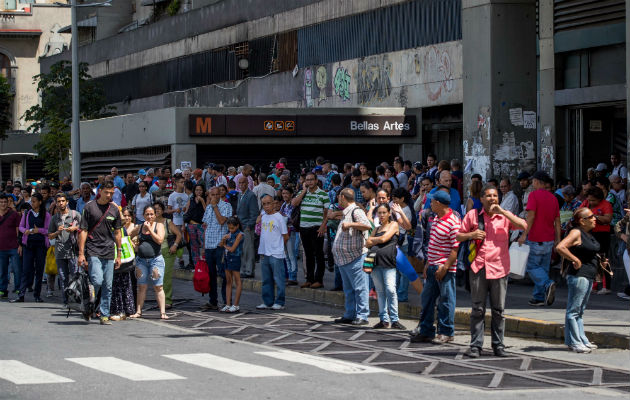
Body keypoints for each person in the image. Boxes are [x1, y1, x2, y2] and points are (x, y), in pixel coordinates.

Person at [458, 185, 527, 358]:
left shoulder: (504, 217)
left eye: (495, 196)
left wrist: (503, 212)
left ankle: (498, 345)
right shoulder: (473, 215)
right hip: (479, 267)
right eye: (488, 196)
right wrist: (471, 235)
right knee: (477, 309)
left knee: (499, 310)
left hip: (499, 268)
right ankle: (476, 345)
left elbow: (523, 225)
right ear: (481, 198)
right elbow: (458, 235)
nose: (492, 199)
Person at [411, 190, 460, 344]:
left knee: (446, 301)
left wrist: (445, 267)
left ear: (438, 203)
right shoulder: (436, 218)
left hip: (445, 268)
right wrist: (427, 264)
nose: (430, 204)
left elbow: (455, 248)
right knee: (427, 300)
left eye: (432, 201)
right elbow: (432, 244)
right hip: (432, 266)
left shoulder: (453, 221)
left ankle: (446, 332)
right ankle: (426, 330)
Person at [555, 208, 602, 353]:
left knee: (579, 311)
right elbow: (560, 247)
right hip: (578, 275)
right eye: (591, 216)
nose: (595, 219)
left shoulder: (588, 234)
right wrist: (574, 259)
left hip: (588, 275)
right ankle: (576, 342)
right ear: (582, 220)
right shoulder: (576, 232)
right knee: (574, 311)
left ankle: (579, 340)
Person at [77, 181, 123, 325]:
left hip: (109, 251)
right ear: (100, 191)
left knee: (108, 286)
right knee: (97, 280)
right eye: (106, 192)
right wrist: (81, 253)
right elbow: (83, 230)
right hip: (93, 250)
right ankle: (88, 306)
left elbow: (117, 233)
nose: (109, 195)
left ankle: (104, 315)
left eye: (111, 193)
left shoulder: (114, 210)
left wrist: (119, 254)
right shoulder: (89, 207)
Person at [517, 171, 560, 307]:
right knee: (543, 268)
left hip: (536, 238)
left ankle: (547, 283)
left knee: (532, 267)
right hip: (549, 239)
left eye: (533, 181)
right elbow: (557, 221)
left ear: (536, 181)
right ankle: (539, 296)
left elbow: (531, 217)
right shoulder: (553, 198)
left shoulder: (533, 195)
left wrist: (524, 234)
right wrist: (557, 239)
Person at [332, 188, 371, 325]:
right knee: (348, 289)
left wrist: (350, 224)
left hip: (356, 257)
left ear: (342, 197)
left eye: (339, 197)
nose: (338, 199)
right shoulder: (346, 212)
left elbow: (366, 225)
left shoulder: (356, 211)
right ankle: (350, 313)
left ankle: (362, 315)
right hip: (344, 258)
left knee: (360, 287)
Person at [366, 203, 404, 329]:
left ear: (389, 213)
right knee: (380, 292)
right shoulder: (376, 228)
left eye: (384, 213)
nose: (381, 215)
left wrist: (375, 240)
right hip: (375, 263)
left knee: (391, 290)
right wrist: (377, 239)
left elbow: (383, 239)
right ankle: (384, 319)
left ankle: (395, 319)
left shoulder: (393, 225)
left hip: (388, 262)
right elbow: (367, 243)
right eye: (379, 213)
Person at [128, 205, 168, 320]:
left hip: (155, 260)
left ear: (155, 215)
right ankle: (138, 311)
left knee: (158, 286)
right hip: (141, 260)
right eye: (147, 214)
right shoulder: (139, 227)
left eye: (151, 214)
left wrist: (150, 229)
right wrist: (134, 245)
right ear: (143, 215)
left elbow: (159, 240)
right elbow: (128, 235)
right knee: (141, 286)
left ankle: (162, 312)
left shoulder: (159, 225)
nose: (149, 216)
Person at [292, 172, 329, 289]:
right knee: (308, 254)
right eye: (307, 180)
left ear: (316, 180)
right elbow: (294, 203)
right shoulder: (302, 193)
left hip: (316, 228)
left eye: (311, 180)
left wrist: (323, 225)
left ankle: (319, 280)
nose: (309, 182)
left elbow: (326, 212)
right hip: (304, 227)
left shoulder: (323, 194)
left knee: (318, 254)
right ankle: (309, 279)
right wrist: (303, 191)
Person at [12, 193, 50, 303]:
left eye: (34, 201)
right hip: (28, 244)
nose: (32, 203)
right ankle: (21, 294)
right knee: (26, 269)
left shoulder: (46, 215)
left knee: (39, 270)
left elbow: (49, 230)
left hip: (41, 245)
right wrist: (26, 231)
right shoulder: (27, 213)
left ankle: (37, 295)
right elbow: (21, 227)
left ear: (40, 202)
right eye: (31, 201)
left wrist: (40, 230)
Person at [200, 187, 232, 310]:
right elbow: (205, 226)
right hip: (209, 245)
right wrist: (204, 246)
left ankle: (226, 301)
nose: (215, 197)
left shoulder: (226, 206)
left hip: (220, 245)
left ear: (220, 195)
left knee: (223, 274)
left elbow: (222, 221)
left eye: (217, 194)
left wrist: (215, 207)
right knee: (211, 275)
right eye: (212, 195)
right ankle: (213, 301)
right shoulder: (208, 207)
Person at [256, 195, 289, 310]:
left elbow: (285, 236)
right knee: (266, 279)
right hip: (264, 252)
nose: (266, 206)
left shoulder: (279, 217)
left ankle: (280, 302)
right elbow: (258, 231)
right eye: (264, 204)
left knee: (279, 279)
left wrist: (278, 247)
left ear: (273, 203)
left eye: (268, 203)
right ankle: (267, 301)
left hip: (276, 253)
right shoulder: (263, 216)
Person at [47, 193, 81, 306]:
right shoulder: (54, 218)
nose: (61, 203)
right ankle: (65, 301)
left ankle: (77, 299)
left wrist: (75, 228)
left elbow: (85, 229)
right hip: (60, 251)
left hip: (73, 250)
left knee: (75, 275)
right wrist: (57, 232)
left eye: (63, 201)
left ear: (67, 202)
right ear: (56, 203)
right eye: (58, 201)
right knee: (63, 277)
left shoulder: (75, 214)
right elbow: (49, 236)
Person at [579, 186, 613, 294]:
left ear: (599, 199)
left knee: (602, 259)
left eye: (593, 200)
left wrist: (594, 216)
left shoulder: (606, 204)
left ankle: (606, 286)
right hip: (589, 233)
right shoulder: (586, 203)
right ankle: (593, 286)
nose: (591, 202)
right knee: (590, 259)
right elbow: (578, 212)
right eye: (589, 200)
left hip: (602, 234)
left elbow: (608, 219)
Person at [110, 208, 137, 321]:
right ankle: (126, 310)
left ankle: (119, 310)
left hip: (118, 259)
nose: (125, 218)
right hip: (124, 260)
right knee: (124, 285)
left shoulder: (118, 229)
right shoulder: (122, 229)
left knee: (118, 285)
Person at [154, 202, 182, 309]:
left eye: (159, 209)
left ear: (163, 210)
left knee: (166, 277)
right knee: (156, 277)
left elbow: (179, 235)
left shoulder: (167, 222)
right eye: (155, 209)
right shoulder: (150, 223)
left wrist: (174, 245)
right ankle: (160, 300)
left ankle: (168, 300)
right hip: (155, 253)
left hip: (167, 252)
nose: (157, 211)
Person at [236, 176, 259, 279]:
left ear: (247, 183)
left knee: (249, 250)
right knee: (243, 250)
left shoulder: (251, 195)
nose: (241, 185)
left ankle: (249, 271)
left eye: (243, 183)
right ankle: (244, 269)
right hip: (239, 226)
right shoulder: (239, 195)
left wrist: (250, 225)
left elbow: (254, 213)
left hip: (247, 226)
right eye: (239, 183)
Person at [219, 216, 243, 313]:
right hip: (227, 258)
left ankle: (236, 305)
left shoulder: (240, 235)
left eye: (232, 228)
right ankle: (228, 304)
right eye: (229, 228)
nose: (230, 230)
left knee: (237, 281)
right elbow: (221, 245)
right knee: (228, 281)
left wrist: (225, 245)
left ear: (237, 226)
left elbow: (233, 249)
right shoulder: (228, 234)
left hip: (235, 258)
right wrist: (223, 239)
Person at [0, 194, 21, 299]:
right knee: (2, 271)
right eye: (1, 202)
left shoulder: (14, 214)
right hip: (1, 248)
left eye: (5, 202)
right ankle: (2, 290)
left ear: (8, 203)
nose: (3, 204)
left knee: (17, 270)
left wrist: (20, 244)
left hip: (14, 246)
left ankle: (18, 288)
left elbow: (18, 230)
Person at [280, 187, 299, 285]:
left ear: (291, 194)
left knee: (291, 255)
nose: (285, 195)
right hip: (284, 232)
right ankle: (289, 275)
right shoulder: (283, 205)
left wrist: (283, 217)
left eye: (287, 193)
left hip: (291, 231)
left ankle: (293, 276)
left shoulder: (293, 205)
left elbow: (290, 218)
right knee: (286, 255)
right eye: (283, 193)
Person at [184, 184, 206, 266]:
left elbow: (207, 211)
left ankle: (205, 264)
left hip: (202, 225)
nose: (198, 192)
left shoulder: (206, 199)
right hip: (191, 224)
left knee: (204, 245)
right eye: (197, 190)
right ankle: (197, 265)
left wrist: (202, 201)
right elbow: (186, 212)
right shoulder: (191, 199)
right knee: (194, 246)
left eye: (200, 190)